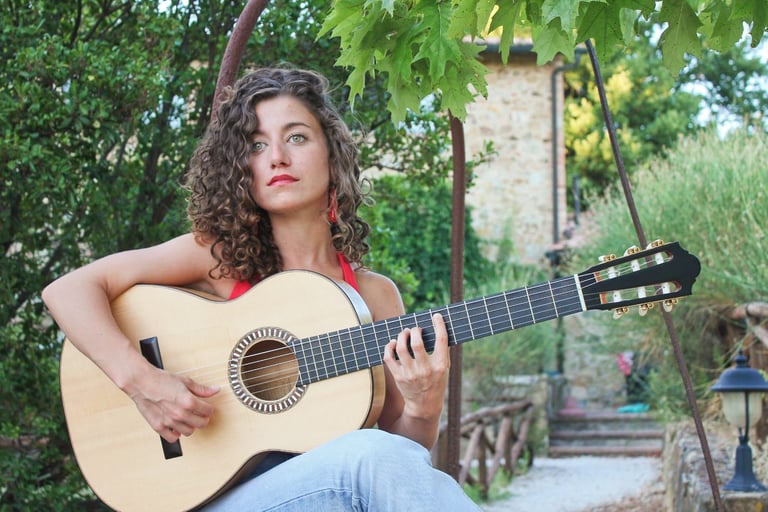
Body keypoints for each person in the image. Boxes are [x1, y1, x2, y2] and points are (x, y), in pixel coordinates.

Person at [43, 67, 481, 511]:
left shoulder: (374, 297)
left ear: (332, 156)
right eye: (256, 144)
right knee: (366, 458)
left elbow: (400, 459)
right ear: (241, 168)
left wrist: (423, 406)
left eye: (296, 137)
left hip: (319, 493)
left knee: (375, 456)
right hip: (207, 498)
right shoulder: (217, 258)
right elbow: (68, 291)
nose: (276, 157)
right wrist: (143, 383)